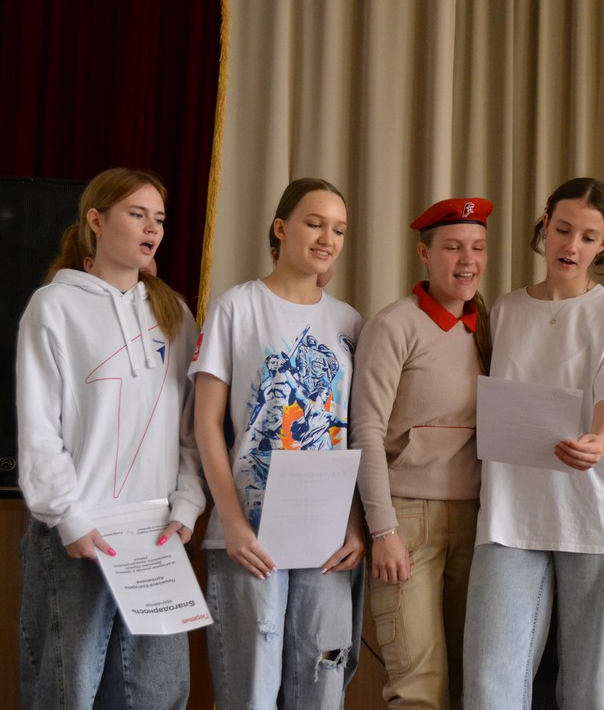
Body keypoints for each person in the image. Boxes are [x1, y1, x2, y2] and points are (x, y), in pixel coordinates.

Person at [16, 167, 204, 710]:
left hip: (155, 536)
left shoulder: (174, 313)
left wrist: (188, 504)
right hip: (79, 536)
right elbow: (39, 429)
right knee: (67, 691)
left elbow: (190, 427)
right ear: (96, 221)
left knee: (160, 694)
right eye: (137, 214)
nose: (152, 229)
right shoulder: (52, 307)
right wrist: (68, 518)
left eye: (159, 218)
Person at [461, 177, 604, 710]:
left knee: (592, 691)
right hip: (510, 515)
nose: (571, 247)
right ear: (545, 223)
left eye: (588, 237)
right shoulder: (504, 310)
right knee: (489, 685)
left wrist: (599, 442)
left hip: (600, 515)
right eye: (563, 230)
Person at [191, 178, 366, 709]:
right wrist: (233, 523)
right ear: (281, 227)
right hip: (250, 536)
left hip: (326, 539)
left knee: (321, 688)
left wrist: (355, 523)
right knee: (251, 694)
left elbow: (354, 431)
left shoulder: (349, 321)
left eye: (339, 229)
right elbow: (205, 423)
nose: (327, 239)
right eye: (315, 224)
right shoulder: (235, 308)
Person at [351, 197, 493, 709]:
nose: (468, 260)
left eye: (478, 247)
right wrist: (383, 529)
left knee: (472, 684)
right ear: (425, 254)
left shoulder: (489, 328)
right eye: (453, 247)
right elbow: (365, 430)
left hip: (477, 521)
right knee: (419, 688)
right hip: (407, 523)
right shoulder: (394, 326)